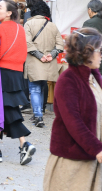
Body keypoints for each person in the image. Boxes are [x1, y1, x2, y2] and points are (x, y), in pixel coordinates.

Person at [43, 28, 102, 191]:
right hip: (72, 163)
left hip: (93, 161)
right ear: (87, 51)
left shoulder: (94, 77)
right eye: (100, 50)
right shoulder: (67, 80)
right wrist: (97, 148)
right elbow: (73, 122)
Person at [0, 0, 36, 165]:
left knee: (1, 111)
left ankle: (22, 143)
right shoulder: (20, 29)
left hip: (1, 72)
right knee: (6, 109)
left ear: (9, 13)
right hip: (16, 73)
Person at [25, 0, 64, 128]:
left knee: (34, 89)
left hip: (35, 61)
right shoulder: (53, 26)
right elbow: (60, 45)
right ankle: (39, 112)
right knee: (41, 88)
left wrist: (39, 55)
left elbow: (27, 43)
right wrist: (50, 55)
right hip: (49, 62)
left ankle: (38, 116)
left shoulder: (29, 24)